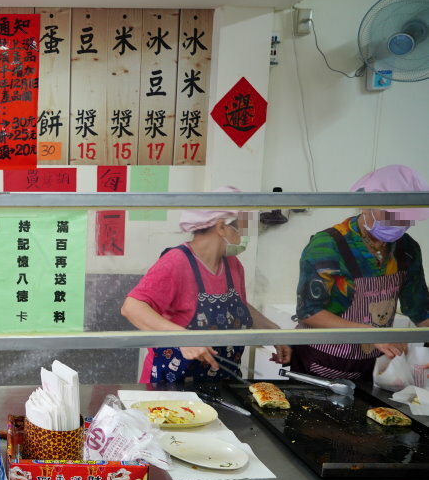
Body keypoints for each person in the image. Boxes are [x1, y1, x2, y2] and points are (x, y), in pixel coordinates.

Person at [121, 186, 291, 383]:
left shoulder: (233, 265)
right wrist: (182, 338)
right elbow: (132, 307)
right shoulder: (176, 262)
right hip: (173, 382)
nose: (245, 236)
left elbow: (238, 307)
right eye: (243, 227)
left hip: (222, 381)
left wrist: (274, 332)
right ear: (221, 227)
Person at [292, 164, 429, 380]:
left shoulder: (407, 249)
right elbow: (309, 313)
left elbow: (420, 310)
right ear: (366, 206)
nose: (398, 224)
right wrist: (370, 333)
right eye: (391, 215)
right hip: (321, 360)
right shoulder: (328, 245)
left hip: (373, 365)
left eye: (405, 219)